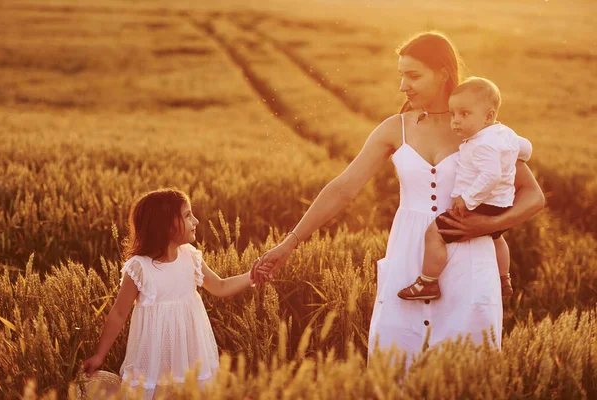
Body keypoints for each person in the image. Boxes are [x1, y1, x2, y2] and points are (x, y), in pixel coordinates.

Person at [253, 32, 544, 363]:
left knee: (465, 371)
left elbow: (533, 197)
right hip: (409, 262)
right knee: (397, 368)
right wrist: (290, 242)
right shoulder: (395, 128)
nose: (403, 85)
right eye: (401, 75)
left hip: (471, 265)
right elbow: (343, 187)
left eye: (414, 75)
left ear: (444, 73)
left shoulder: (482, 130)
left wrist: (488, 226)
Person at [82, 188, 256, 398]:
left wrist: (252, 276)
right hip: (155, 356)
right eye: (187, 215)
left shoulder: (190, 257)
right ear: (166, 226)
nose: (196, 221)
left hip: (191, 351)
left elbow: (220, 286)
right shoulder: (140, 268)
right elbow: (119, 313)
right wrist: (99, 356)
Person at [398, 77, 532, 301]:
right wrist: (519, 156)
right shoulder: (504, 134)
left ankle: (428, 282)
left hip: (481, 205)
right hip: (501, 204)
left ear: (488, 116)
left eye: (464, 114)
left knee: (435, 233)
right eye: (453, 114)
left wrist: (467, 199)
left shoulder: (482, 144)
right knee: (497, 237)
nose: (456, 121)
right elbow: (524, 148)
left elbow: (491, 175)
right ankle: (503, 278)